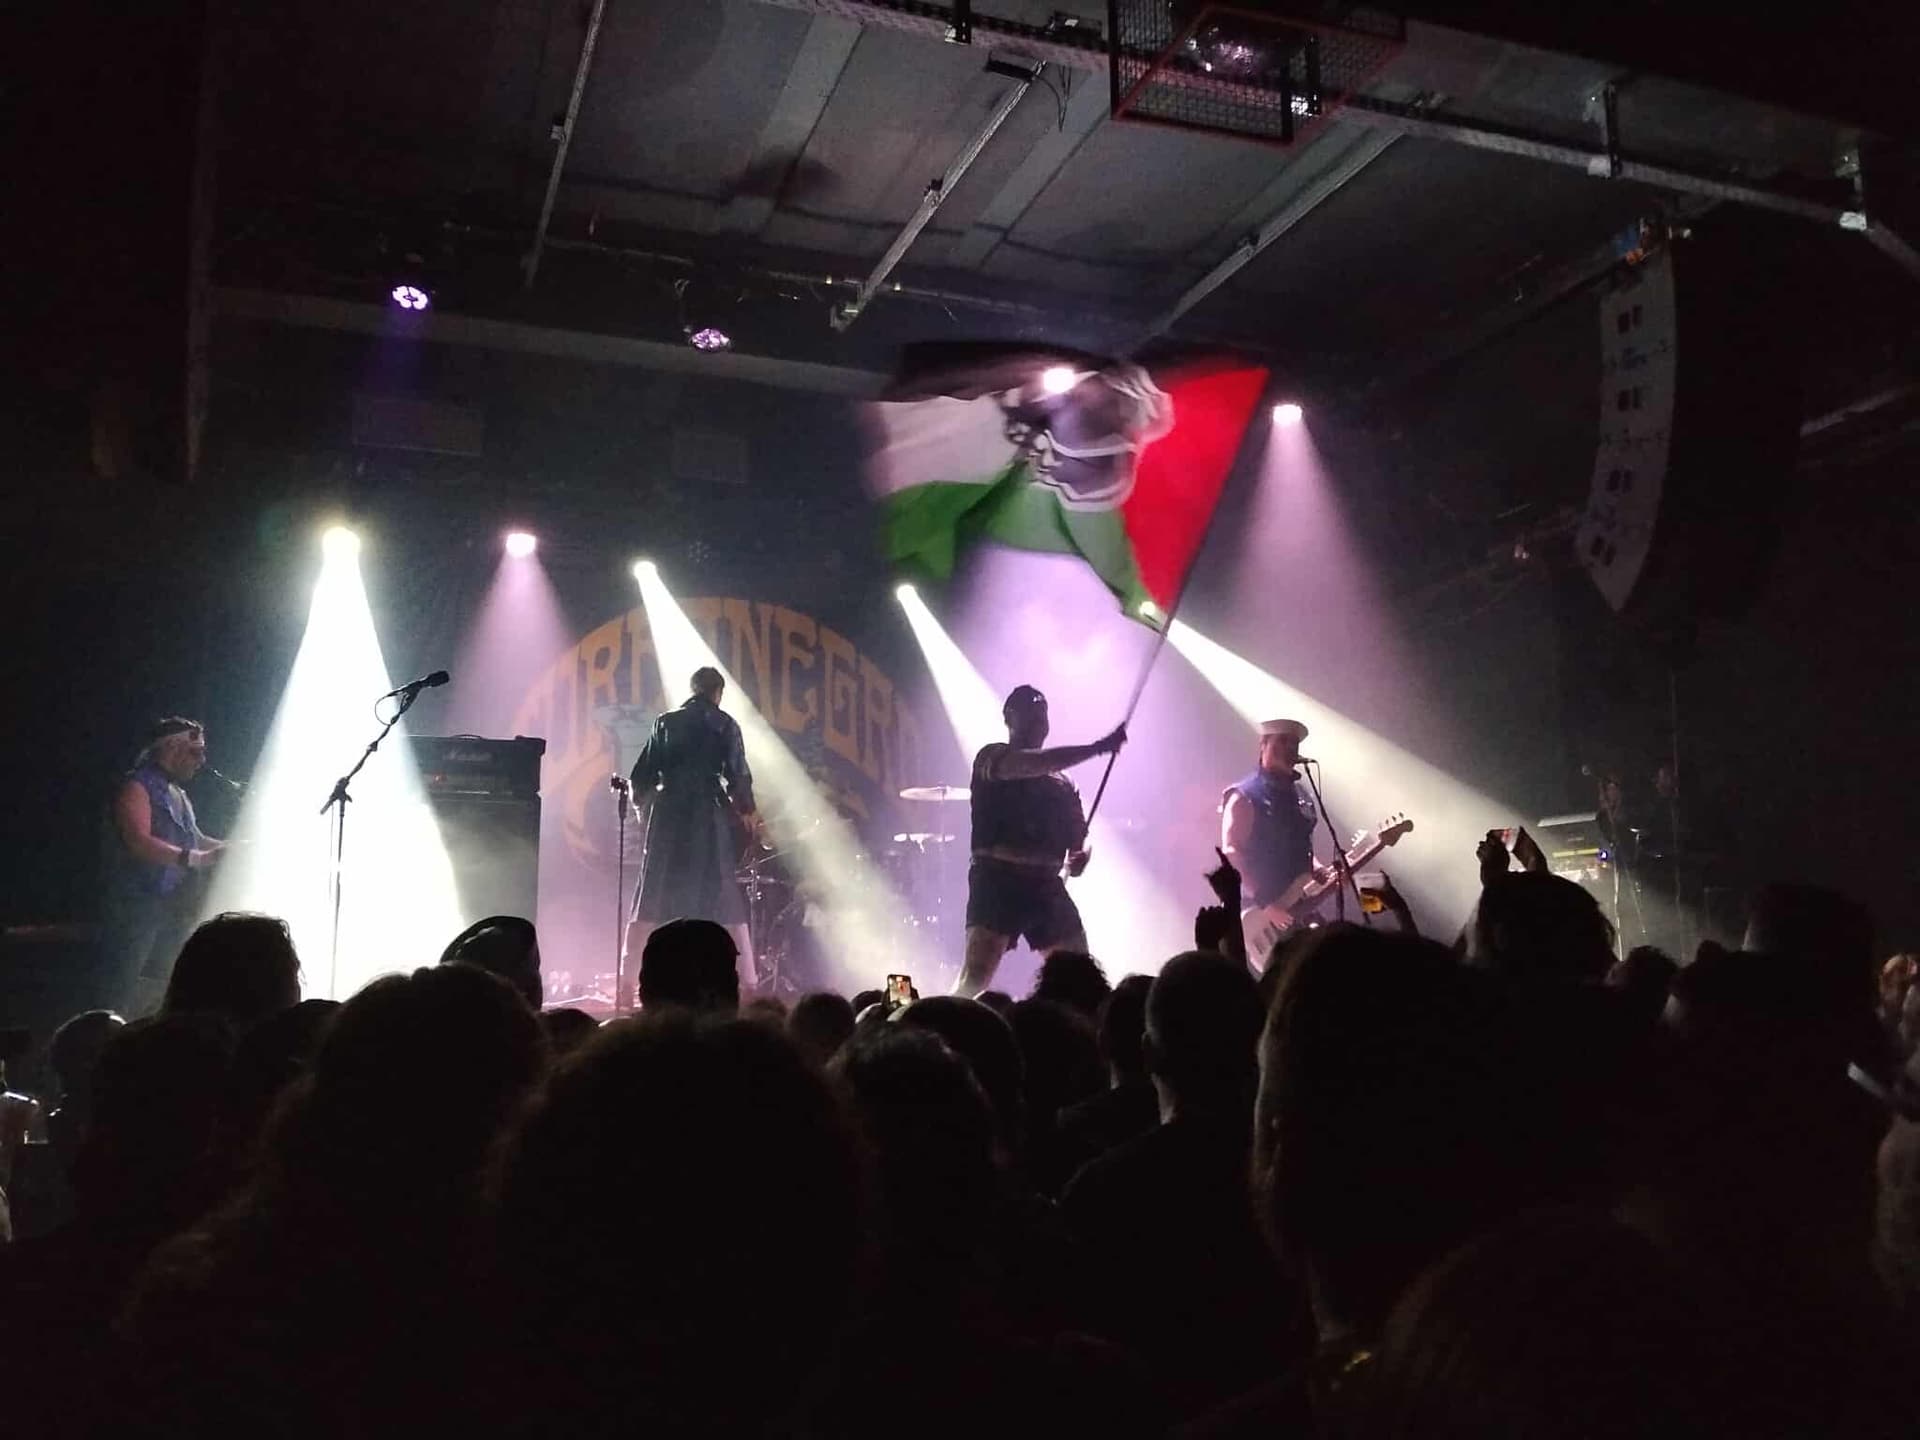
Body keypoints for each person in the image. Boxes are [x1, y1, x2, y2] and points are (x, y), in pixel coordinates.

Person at [956, 685, 1125, 997]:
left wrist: (1081, 856)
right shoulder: (992, 758)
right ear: (1009, 717)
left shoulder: (1064, 782)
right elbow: (1035, 763)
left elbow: (1080, 836)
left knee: (1080, 973)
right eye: (1030, 712)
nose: (1038, 720)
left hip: (1046, 885)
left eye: (1042, 713)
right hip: (998, 880)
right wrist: (1097, 748)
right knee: (976, 977)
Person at [622, 667, 759, 997]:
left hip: (667, 817)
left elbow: (640, 777)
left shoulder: (664, 722)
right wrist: (748, 811)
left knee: (651, 891)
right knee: (722, 891)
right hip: (706, 818)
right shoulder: (725, 724)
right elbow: (738, 775)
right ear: (718, 693)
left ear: (693, 689)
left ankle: (627, 981)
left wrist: (643, 813)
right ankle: (749, 983)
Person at [101, 717, 227, 1013]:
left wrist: (232, 847)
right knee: (122, 985)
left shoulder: (179, 793)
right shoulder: (137, 786)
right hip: (136, 904)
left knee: (169, 984)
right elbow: (139, 841)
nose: (202, 760)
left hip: (172, 904)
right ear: (172, 747)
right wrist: (195, 858)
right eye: (195, 752)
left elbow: (195, 840)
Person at [1218, 719, 1325, 948]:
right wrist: (1266, 903)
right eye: (1282, 741)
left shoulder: (1300, 794)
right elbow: (1231, 852)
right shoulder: (1244, 795)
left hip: (1299, 907)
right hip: (1260, 912)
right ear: (1263, 744)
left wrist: (1317, 868)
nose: (1290, 748)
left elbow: (1301, 843)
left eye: (1294, 744)